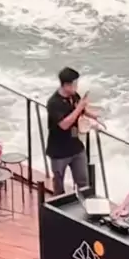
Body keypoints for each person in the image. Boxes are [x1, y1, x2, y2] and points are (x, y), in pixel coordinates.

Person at [46, 67, 100, 195]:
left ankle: (84, 202)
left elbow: (81, 110)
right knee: (59, 185)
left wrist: (95, 117)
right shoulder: (54, 103)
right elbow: (64, 124)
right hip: (59, 150)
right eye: (74, 84)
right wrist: (80, 107)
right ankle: (59, 204)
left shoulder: (74, 96)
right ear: (66, 85)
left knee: (83, 181)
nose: (77, 87)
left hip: (76, 146)